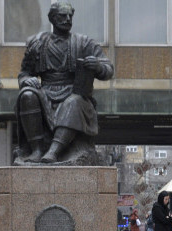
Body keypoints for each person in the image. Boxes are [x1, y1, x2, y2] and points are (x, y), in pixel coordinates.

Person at [15, 1, 114, 164]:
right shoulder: (38, 43)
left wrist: (97, 66)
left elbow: (108, 69)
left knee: (74, 102)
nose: (67, 19)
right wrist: (28, 80)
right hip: (45, 91)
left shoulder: (84, 42)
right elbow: (24, 73)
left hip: (73, 91)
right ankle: (37, 149)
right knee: (27, 96)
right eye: (62, 15)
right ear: (52, 18)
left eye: (70, 16)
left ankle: (54, 151)